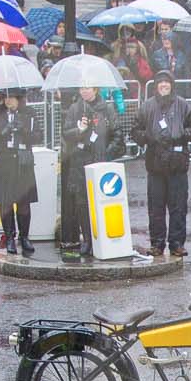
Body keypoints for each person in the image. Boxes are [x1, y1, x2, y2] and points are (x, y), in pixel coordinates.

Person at [133, 70, 191, 258]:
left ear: (172, 84)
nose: (163, 85)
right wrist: (148, 137)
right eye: (160, 82)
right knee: (156, 207)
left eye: (167, 82)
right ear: (156, 85)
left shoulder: (183, 105)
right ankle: (157, 243)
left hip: (177, 165)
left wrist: (182, 134)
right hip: (155, 165)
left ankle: (177, 243)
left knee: (178, 207)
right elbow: (135, 130)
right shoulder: (147, 107)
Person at [55, 84, 120, 256]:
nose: (84, 91)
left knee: (101, 203)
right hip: (80, 162)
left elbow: (117, 135)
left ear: (96, 89)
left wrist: (106, 154)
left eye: (88, 87)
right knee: (82, 203)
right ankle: (88, 240)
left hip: (100, 162)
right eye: (82, 88)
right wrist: (79, 130)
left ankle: (103, 239)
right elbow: (66, 133)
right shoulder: (75, 108)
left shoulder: (107, 108)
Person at [0, 90, 41, 256]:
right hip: (2, 162)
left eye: (12, 98)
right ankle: (9, 237)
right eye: (6, 97)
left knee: (23, 201)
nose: (8, 101)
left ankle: (24, 237)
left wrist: (24, 131)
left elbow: (38, 137)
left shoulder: (29, 113)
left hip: (23, 161)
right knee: (6, 201)